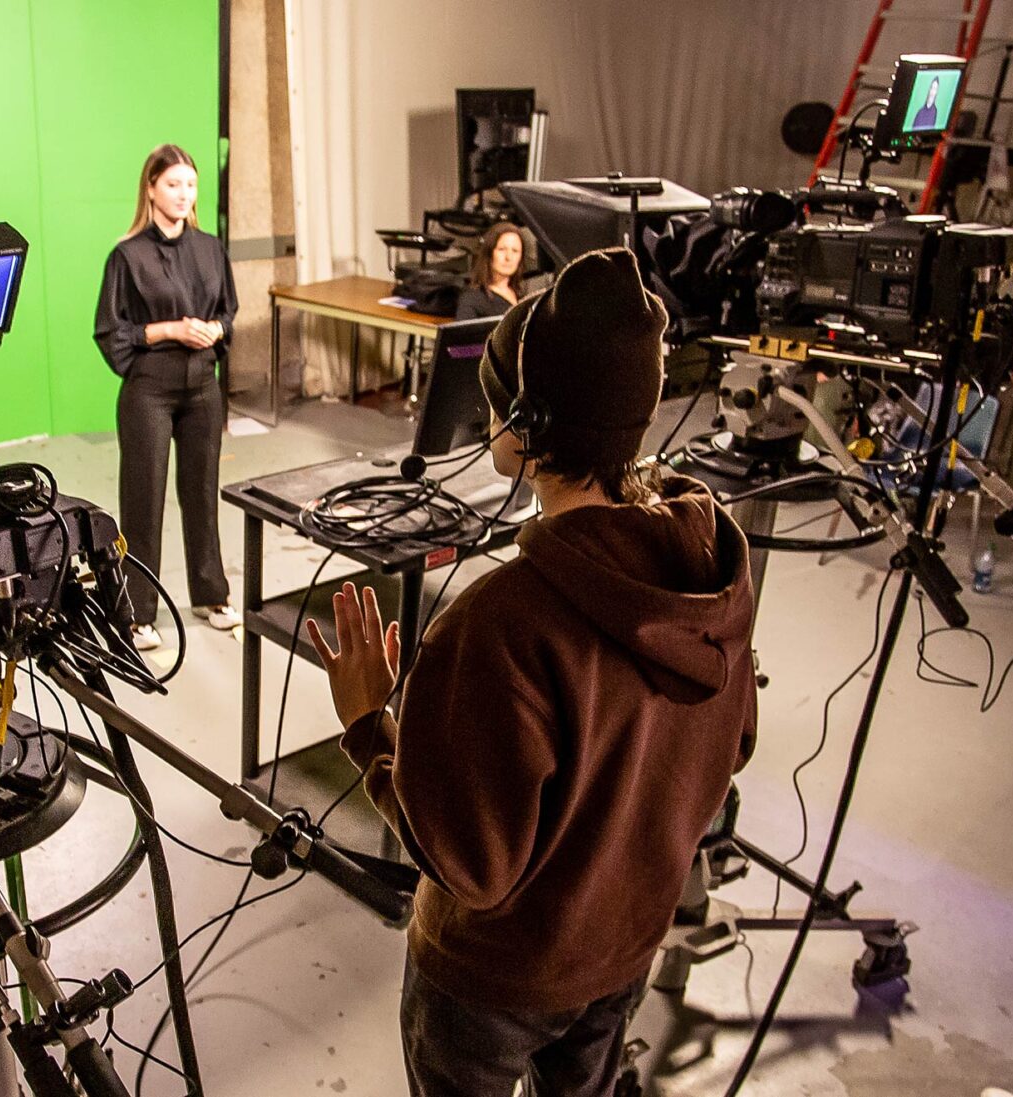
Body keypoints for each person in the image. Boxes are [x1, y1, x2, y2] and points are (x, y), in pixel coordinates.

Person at [306, 248, 757, 1097]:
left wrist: (370, 722)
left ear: (531, 425)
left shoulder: (497, 623)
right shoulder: (709, 574)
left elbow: (471, 864)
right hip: (622, 950)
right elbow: (727, 749)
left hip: (494, 983)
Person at [95, 144, 240, 651]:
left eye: (190, 185)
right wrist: (167, 330)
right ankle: (137, 615)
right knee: (143, 501)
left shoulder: (211, 247)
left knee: (202, 493)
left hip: (203, 386)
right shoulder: (127, 255)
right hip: (149, 391)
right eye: (173, 184)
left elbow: (228, 312)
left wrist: (213, 330)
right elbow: (112, 330)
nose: (184, 194)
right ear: (151, 187)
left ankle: (211, 595)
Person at [454, 221, 529, 320]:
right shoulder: (472, 299)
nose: (508, 257)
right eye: (502, 249)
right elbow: (462, 335)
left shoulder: (523, 298)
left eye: (515, 251)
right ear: (489, 253)